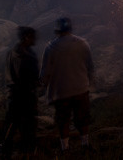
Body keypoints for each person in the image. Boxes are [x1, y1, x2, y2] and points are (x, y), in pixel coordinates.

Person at [40, 17, 94, 153]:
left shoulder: (50, 48)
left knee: (63, 120)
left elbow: (45, 72)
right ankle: (85, 144)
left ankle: (65, 148)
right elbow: (90, 66)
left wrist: (43, 88)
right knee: (83, 118)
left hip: (61, 91)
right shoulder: (82, 43)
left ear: (57, 30)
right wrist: (90, 83)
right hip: (81, 89)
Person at [0, 26, 39, 158]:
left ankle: (6, 149)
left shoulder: (13, 52)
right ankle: (24, 150)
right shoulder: (26, 55)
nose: (35, 39)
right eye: (32, 36)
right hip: (23, 94)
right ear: (26, 37)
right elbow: (29, 76)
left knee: (13, 122)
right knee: (24, 123)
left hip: (16, 94)